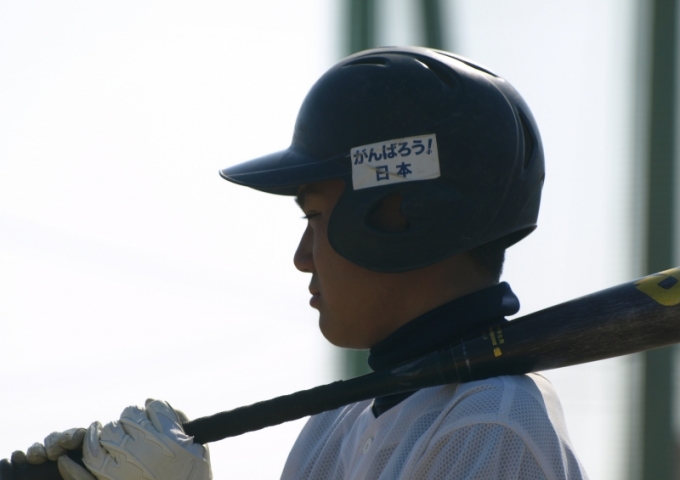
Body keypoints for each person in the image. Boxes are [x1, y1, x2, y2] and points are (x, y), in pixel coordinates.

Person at [2, 47, 588, 480]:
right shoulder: (338, 422)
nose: (302, 257)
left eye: (314, 216)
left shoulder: (490, 426)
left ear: (397, 216)